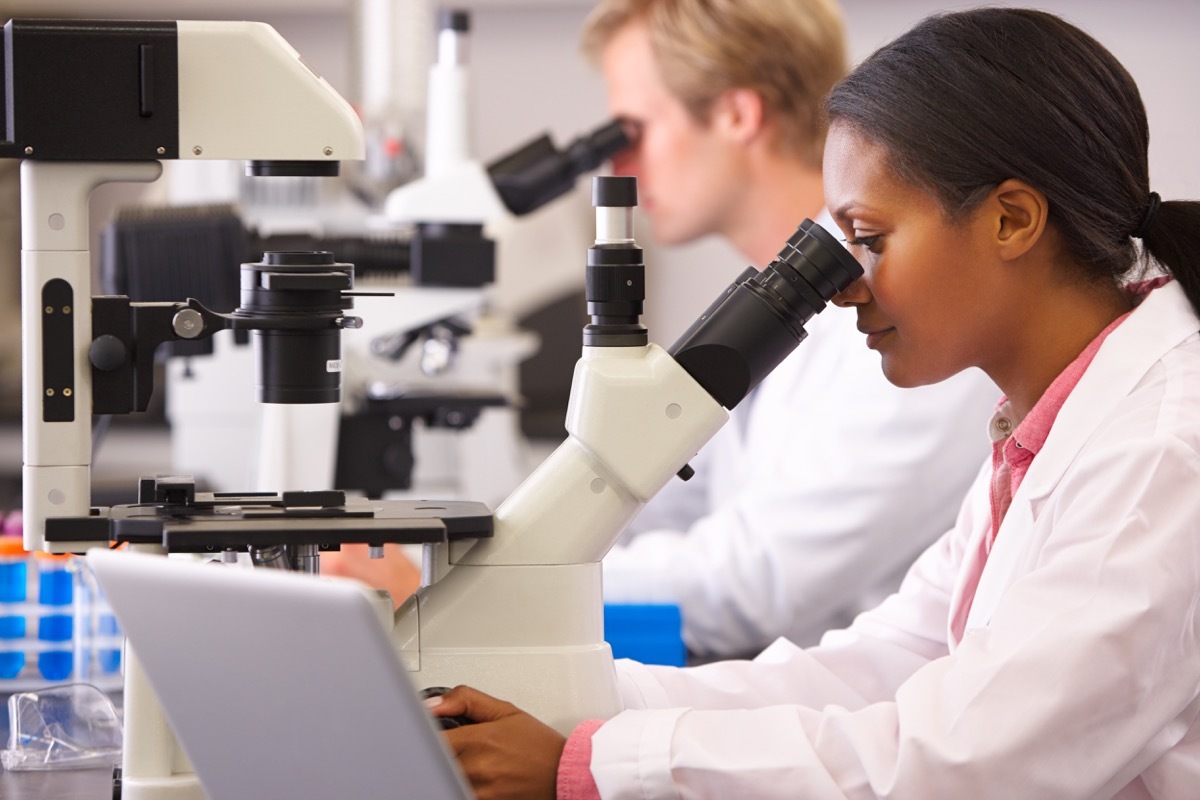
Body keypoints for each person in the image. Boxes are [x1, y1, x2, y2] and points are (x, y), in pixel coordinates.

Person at [427, 8, 1200, 797]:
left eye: (870, 238)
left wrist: (591, 767)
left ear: (1011, 219)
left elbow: (971, 763)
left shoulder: (1160, 451)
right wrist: (570, 708)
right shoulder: (1046, 424)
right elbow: (894, 660)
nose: (846, 288)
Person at [584, 0, 999, 656]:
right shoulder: (767, 305)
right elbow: (659, 502)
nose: (617, 166)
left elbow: (758, 582)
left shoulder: (904, 313)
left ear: (735, 114)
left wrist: (495, 587)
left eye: (630, 130)